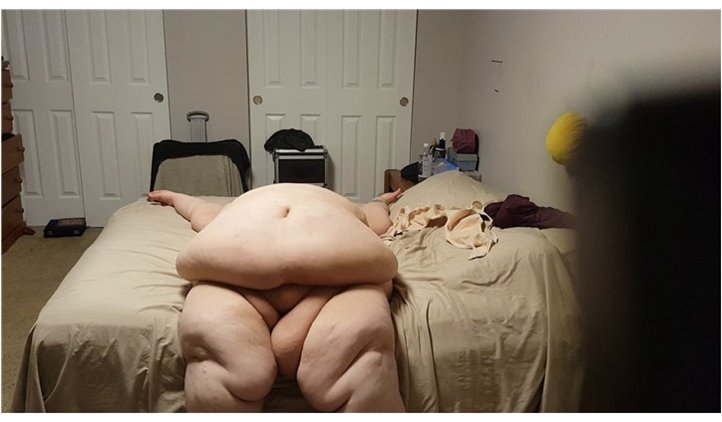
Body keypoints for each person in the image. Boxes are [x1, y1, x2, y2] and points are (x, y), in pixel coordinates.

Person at [147, 183, 405, 412]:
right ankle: (319, 305)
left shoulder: (239, 205)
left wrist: (174, 197)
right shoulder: (345, 206)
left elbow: (198, 210)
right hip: (339, 273)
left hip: (236, 271)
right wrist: (379, 200)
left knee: (215, 365)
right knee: (365, 359)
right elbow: (380, 219)